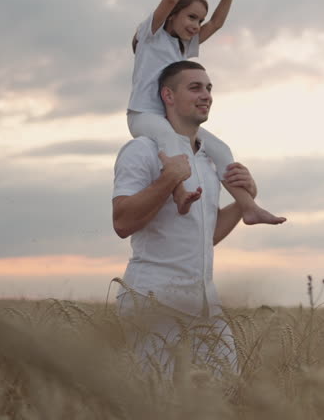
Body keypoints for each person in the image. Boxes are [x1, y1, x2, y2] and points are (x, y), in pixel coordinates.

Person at [113, 60, 267, 375]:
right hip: (153, 300)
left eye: (209, 88)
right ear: (168, 96)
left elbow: (205, 237)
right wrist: (169, 180)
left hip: (205, 304)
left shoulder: (210, 160)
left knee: (224, 394)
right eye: (195, 87)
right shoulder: (142, 150)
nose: (206, 95)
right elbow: (122, 223)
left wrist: (242, 202)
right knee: (159, 402)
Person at [127, 0, 284, 225]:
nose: (196, 26)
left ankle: (248, 207)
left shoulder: (184, 46)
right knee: (170, 139)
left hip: (171, 119)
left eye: (199, 20)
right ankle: (179, 193)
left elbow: (217, 24)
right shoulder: (152, 36)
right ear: (173, 15)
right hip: (144, 115)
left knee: (221, 150)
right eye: (190, 17)